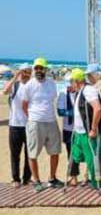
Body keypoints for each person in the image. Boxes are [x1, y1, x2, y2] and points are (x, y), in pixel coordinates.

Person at [21, 58, 63, 192]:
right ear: (34, 69)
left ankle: (52, 178)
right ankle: (36, 181)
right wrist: (32, 119)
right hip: (35, 122)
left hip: (51, 121)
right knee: (33, 153)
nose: (39, 70)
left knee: (55, 151)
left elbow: (52, 100)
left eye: (41, 68)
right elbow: (24, 105)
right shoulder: (29, 85)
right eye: (37, 68)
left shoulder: (52, 84)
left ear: (46, 69)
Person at [69, 68, 101, 189]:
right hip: (78, 132)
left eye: (72, 81)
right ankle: (79, 178)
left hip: (87, 132)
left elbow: (97, 108)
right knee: (76, 155)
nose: (71, 83)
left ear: (77, 81)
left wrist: (93, 129)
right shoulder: (80, 90)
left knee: (91, 160)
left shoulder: (88, 90)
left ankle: (96, 185)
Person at [3, 63, 32, 187]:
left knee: (30, 153)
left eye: (28, 72)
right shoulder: (15, 86)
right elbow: (4, 91)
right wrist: (16, 76)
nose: (25, 74)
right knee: (15, 154)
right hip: (15, 125)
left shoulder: (32, 87)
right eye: (23, 71)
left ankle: (27, 178)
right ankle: (16, 179)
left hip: (30, 125)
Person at [57, 72, 79, 185]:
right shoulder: (62, 94)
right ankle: (73, 176)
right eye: (69, 82)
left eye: (73, 82)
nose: (71, 85)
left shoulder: (81, 92)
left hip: (80, 128)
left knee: (83, 152)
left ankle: (88, 176)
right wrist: (74, 113)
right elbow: (60, 112)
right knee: (71, 153)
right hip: (68, 128)